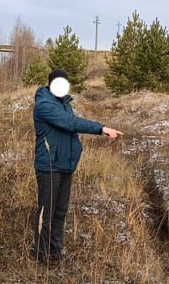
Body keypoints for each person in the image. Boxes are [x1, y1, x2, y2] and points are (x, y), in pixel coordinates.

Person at [32, 69, 123, 265]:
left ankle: (55, 252)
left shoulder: (64, 104)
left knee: (60, 211)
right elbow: (70, 123)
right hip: (49, 166)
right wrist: (101, 128)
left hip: (65, 165)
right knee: (46, 213)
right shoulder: (44, 105)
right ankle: (42, 254)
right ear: (50, 84)